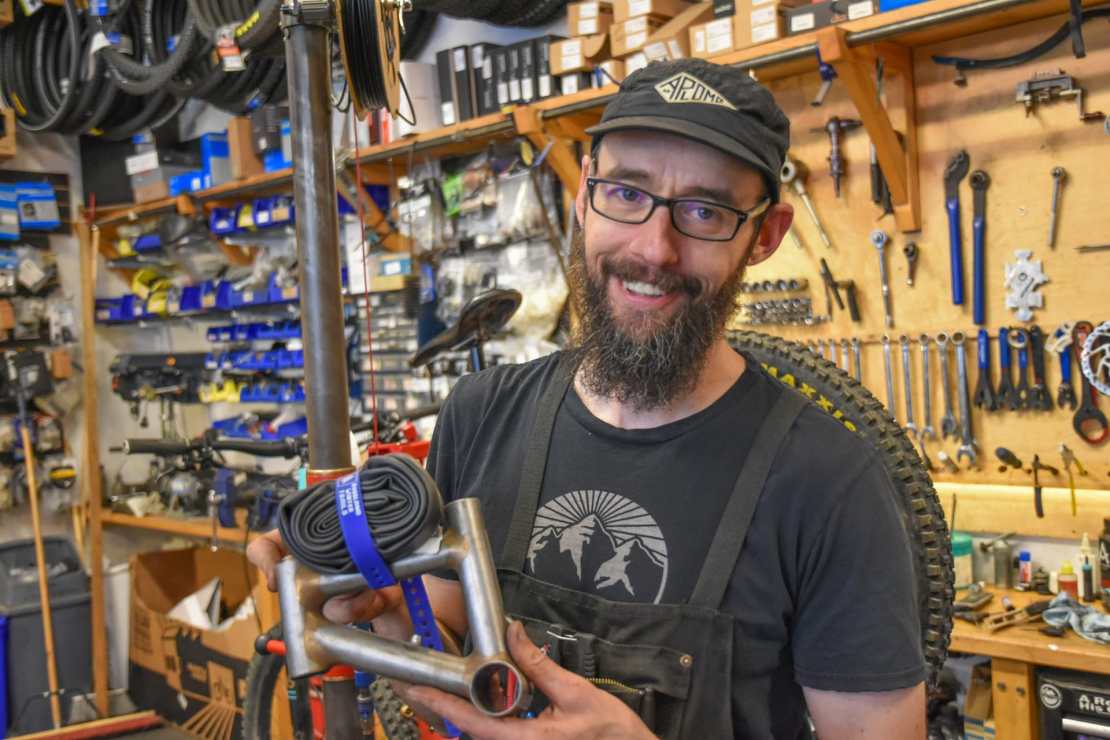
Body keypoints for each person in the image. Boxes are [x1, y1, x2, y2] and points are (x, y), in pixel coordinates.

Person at [249, 58, 926, 739]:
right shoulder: (481, 414)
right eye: (626, 194)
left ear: (765, 236)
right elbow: (453, 674)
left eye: (704, 210)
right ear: (583, 199)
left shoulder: (831, 483)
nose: (654, 248)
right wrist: (388, 620)